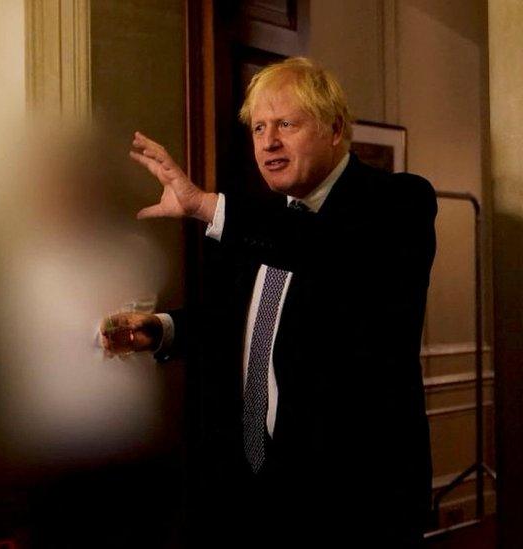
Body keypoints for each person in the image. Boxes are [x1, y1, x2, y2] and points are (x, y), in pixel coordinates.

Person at [101, 57, 436, 546]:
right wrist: (162, 328)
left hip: (355, 498)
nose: (268, 141)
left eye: (286, 124)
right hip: (255, 491)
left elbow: (323, 249)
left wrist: (202, 205)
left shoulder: (398, 202)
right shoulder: (263, 222)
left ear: (336, 127)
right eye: (259, 127)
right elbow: (241, 320)